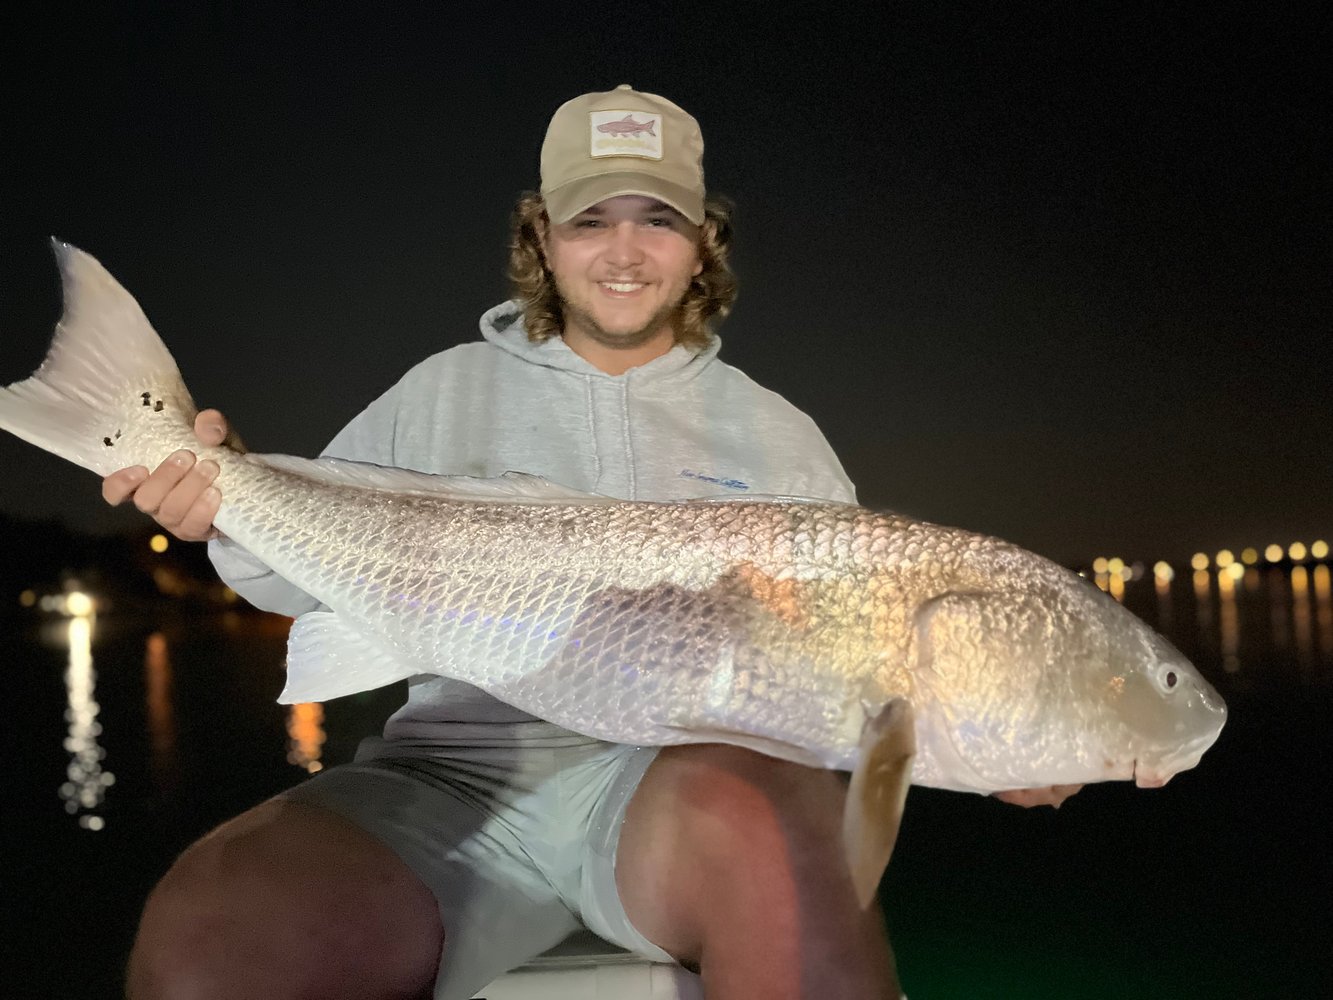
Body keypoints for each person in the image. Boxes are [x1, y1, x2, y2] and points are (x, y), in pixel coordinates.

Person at [107, 85, 1075, 1000]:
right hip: (447, 780)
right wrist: (215, 498)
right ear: (541, 236)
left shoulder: (781, 436)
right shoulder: (438, 390)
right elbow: (286, 572)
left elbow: (848, 673)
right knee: (207, 937)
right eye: (588, 219)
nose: (624, 249)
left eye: (657, 218)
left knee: (780, 829)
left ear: (703, 243)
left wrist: (988, 738)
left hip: (677, 789)